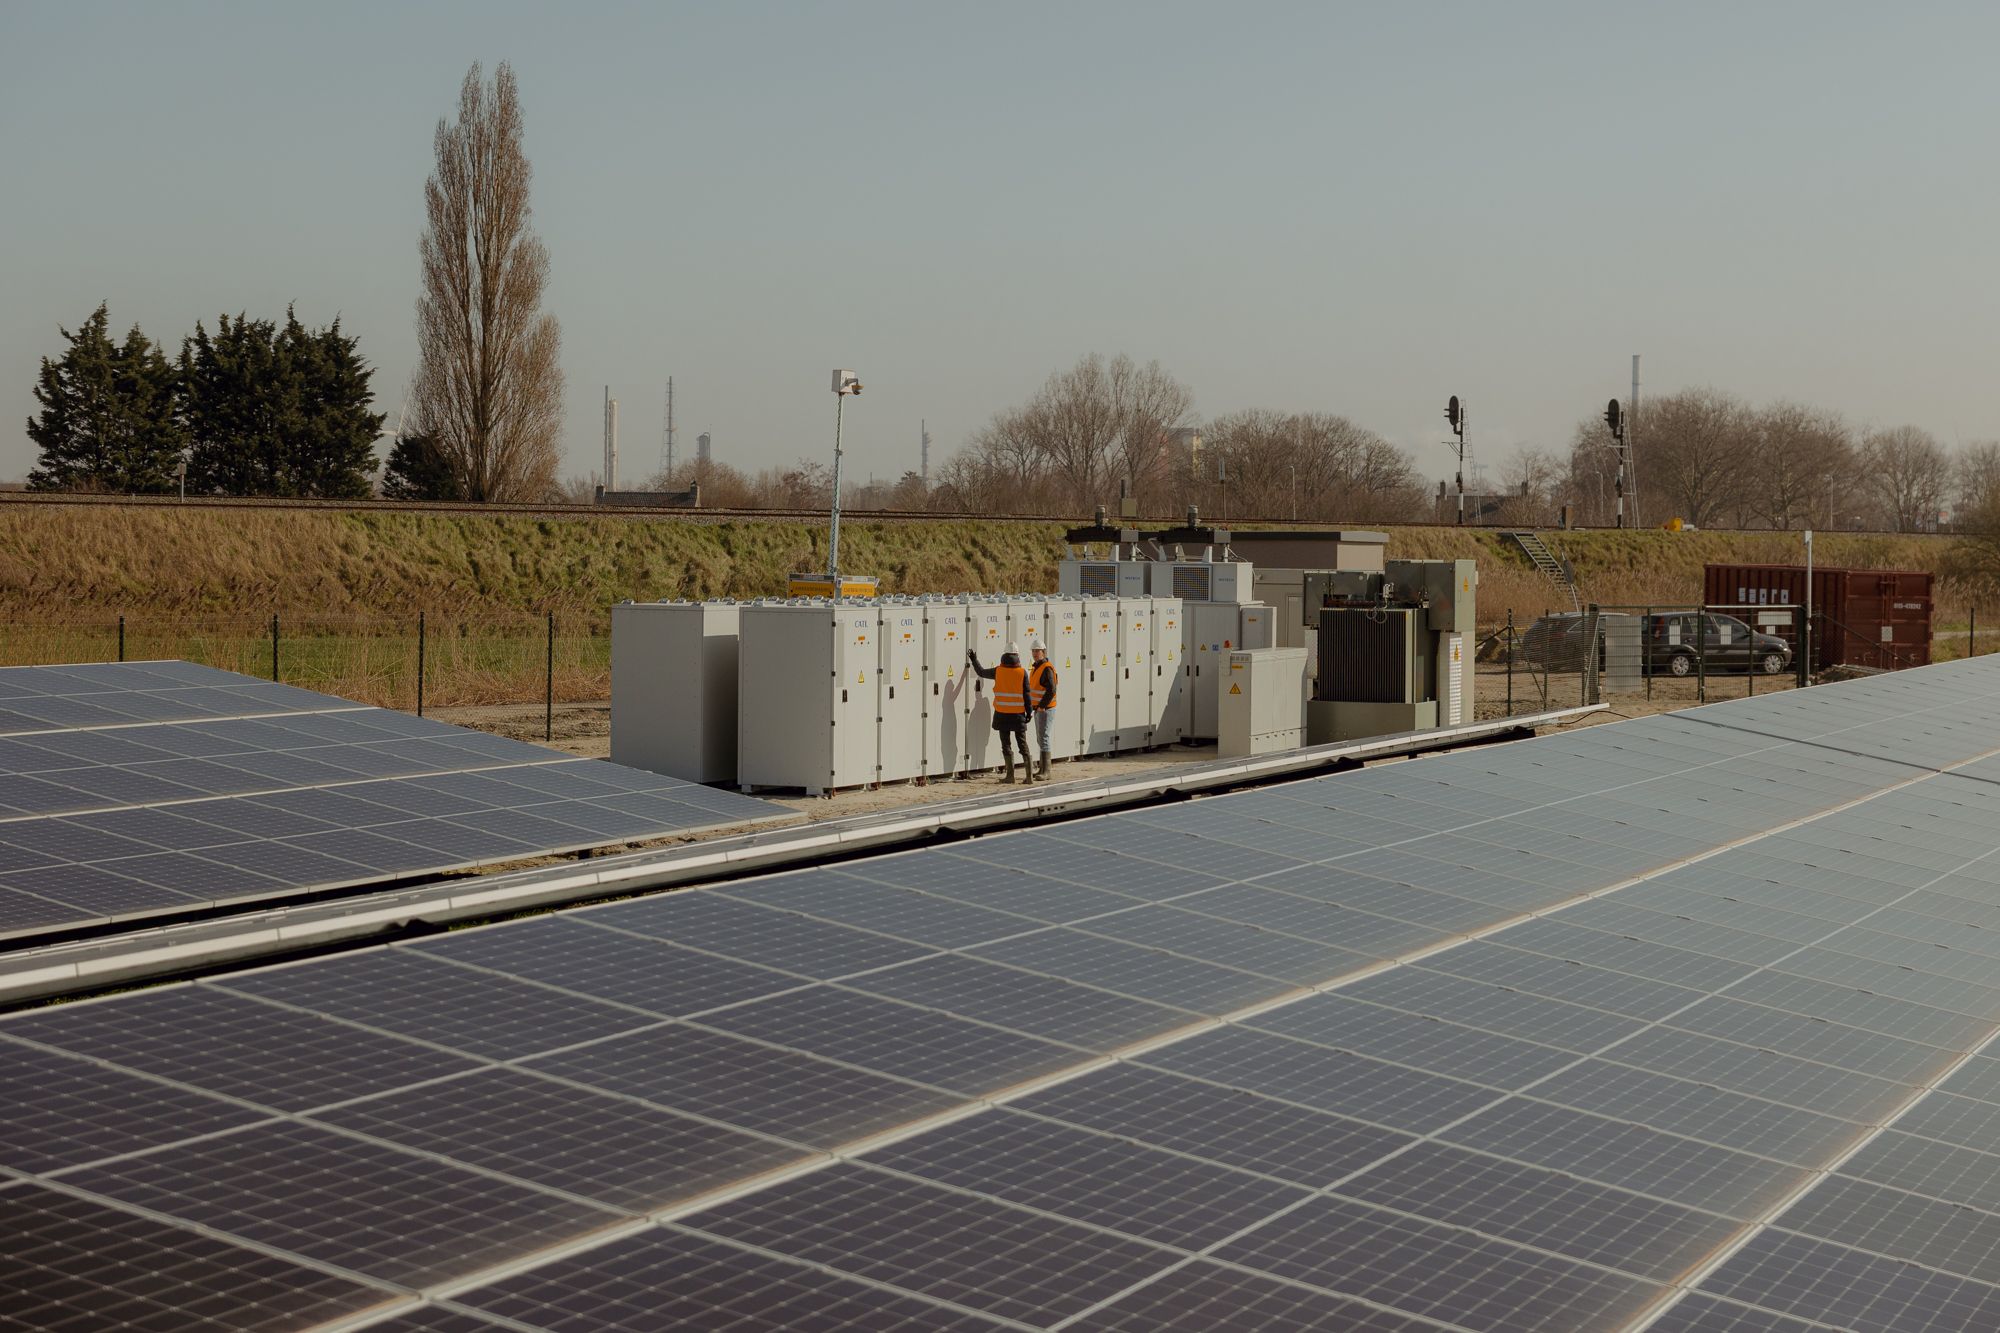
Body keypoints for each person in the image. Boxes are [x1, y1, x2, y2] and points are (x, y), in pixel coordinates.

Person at [967, 641, 1033, 783]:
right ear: (1017, 655)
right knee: (1023, 744)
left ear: (1004, 655)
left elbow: (981, 672)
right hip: (1018, 715)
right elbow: (1027, 694)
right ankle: (1029, 777)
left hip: (1002, 714)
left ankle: (1010, 776)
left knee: (1006, 745)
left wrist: (973, 659)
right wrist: (1029, 712)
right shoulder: (1022, 672)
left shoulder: (998, 671)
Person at [1026, 638, 1058, 781]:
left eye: (1037, 651)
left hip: (1045, 709)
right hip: (1038, 709)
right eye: (1033, 651)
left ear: (1043, 652)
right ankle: (1042, 768)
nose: (1034, 653)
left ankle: (1047, 771)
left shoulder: (1046, 668)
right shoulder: (1036, 667)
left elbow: (1051, 690)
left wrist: (1042, 706)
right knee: (1041, 738)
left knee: (1044, 737)